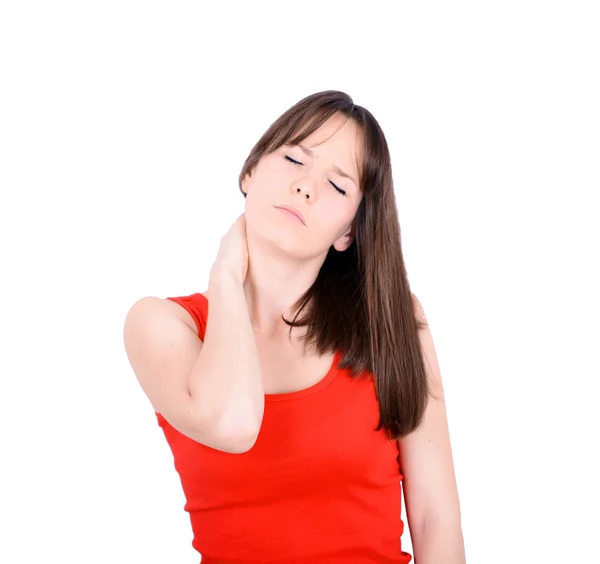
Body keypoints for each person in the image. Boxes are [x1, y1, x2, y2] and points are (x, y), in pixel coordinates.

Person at [123, 90, 466, 563]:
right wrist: (225, 278)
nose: (306, 187)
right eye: (293, 159)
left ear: (349, 231)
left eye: (339, 186)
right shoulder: (162, 325)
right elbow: (234, 424)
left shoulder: (393, 321)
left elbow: (434, 517)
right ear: (250, 172)